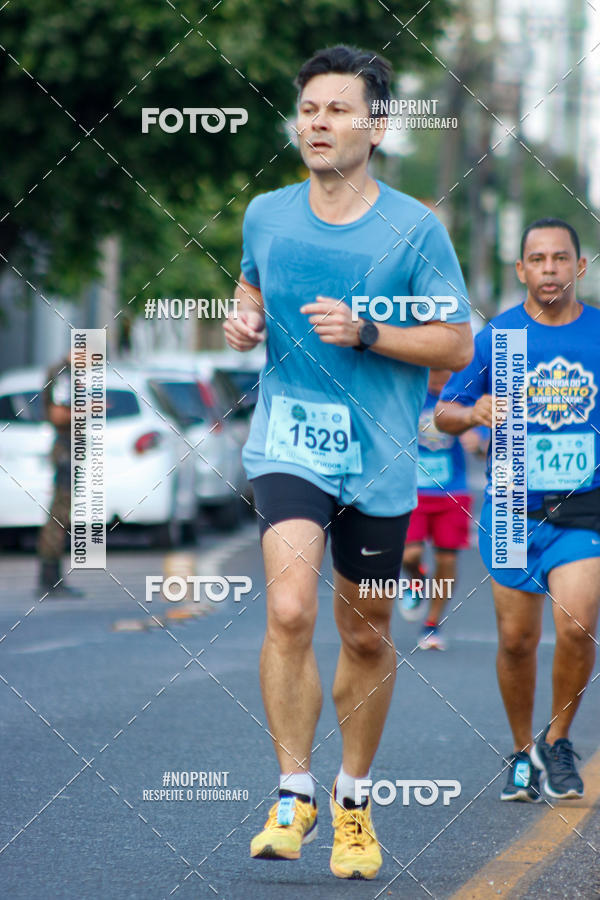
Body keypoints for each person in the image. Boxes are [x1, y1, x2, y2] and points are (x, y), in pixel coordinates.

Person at [223, 44, 472, 879]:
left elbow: (455, 340)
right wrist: (243, 317)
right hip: (290, 438)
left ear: (377, 124)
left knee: (364, 632)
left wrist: (369, 332)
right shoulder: (266, 212)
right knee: (290, 611)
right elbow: (253, 284)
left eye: (336, 109)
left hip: (378, 455)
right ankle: (292, 792)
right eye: (308, 109)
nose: (317, 123)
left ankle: (354, 801)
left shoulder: (415, 228)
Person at [435, 218, 600, 802]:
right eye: (538, 259)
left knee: (577, 626)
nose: (550, 269)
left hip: (584, 508)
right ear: (521, 270)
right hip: (510, 509)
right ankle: (523, 748)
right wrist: (474, 411)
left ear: (579, 267)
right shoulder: (497, 339)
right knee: (515, 641)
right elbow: (443, 415)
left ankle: (559, 742)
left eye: (561, 258)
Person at [399, 368, 489, 651]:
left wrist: (477, 446)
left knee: (447, 561)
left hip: (453, 492)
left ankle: (432, 623)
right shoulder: (411, 396)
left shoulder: (465, 401)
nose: (440, 379)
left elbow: (486, 449)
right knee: (409, 554)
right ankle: (417, 579)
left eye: (446, 374)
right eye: (434, 372)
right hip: (414, 491)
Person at [37, 353, 83, 598]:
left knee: (62, 512)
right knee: (60, 512)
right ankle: (49, 576)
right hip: (65, 446)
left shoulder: (67, 372)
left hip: (69, 446)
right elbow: (58, 414)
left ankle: (53, 575)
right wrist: (89, 409)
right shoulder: (64, 374)